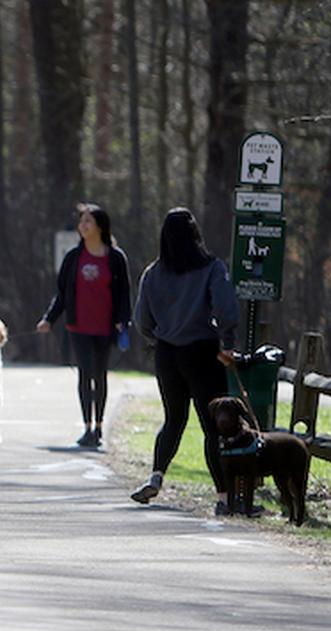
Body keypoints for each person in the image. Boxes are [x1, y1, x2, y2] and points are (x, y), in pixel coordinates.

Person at [129, 207, 239, 515]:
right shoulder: (212, 268)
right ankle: (222, 498)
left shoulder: (152, 273)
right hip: (204, 351)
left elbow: (142, 320)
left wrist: (160, 335)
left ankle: (155, 476)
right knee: (212, 427)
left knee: (173, 419)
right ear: (195, 234)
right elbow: (226, 308)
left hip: (167, 354)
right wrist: (227, 342)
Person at [36, 203, 132, 448]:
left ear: (99, 226)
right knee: (84, 374)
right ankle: (87, 427)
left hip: (106, 327)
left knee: (100, 375)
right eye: (81, 222)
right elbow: (62, 294)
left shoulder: (115, 257)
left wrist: (123, 321)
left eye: (88, 222)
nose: (83, 226)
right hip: (78, 327)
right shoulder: (73, 258)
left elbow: (124, 293)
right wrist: (49, 319)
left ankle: (99, 427)